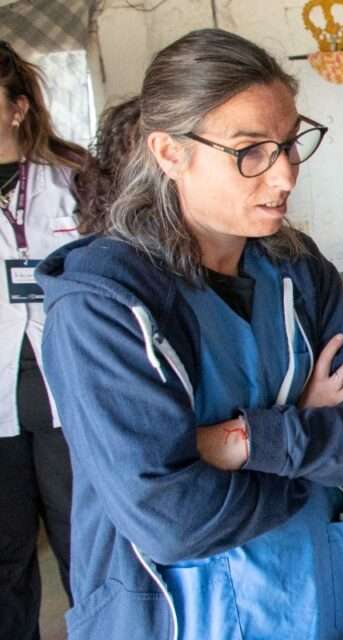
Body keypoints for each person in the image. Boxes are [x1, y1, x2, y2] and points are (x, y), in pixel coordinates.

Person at [36, 29, 343, 639]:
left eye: (290, 145)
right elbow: (171, 517)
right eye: (250, 151)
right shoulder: (103, 307)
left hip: (333, 599)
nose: (285, 176)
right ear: (168, 152)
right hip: (185, 615)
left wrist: (238, 441)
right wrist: (306, 440)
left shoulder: (297, 270)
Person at [0, 40, 83, 640]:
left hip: (70, 390)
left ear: (18, 107)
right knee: (4, 554)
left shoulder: (76, 176)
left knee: (84, 539)